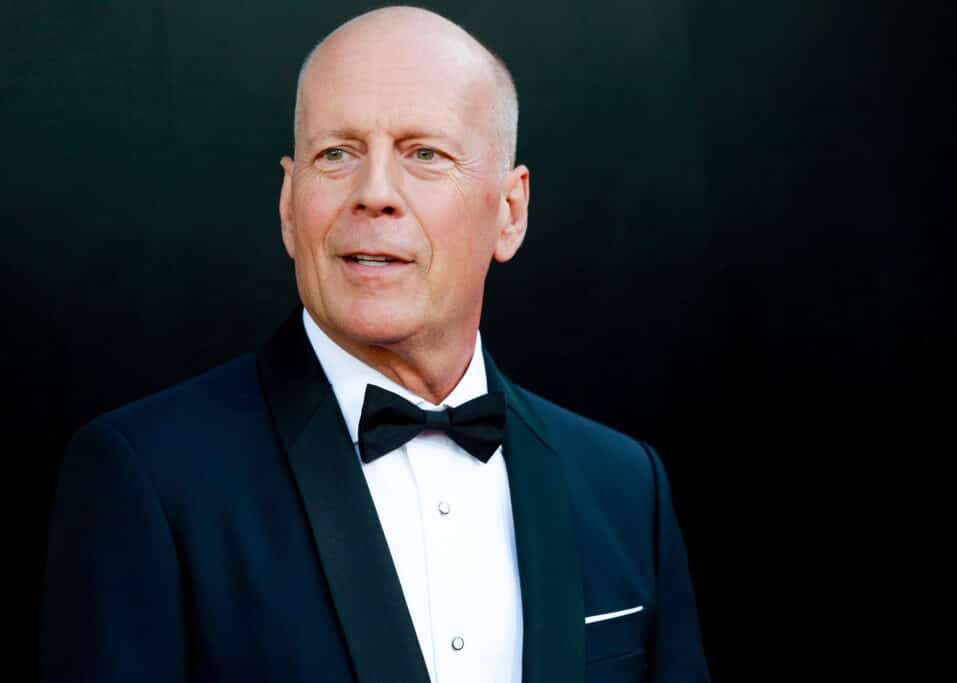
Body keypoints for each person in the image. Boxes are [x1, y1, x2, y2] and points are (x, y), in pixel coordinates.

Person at [41, 6, 709, 682]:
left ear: (510, 212)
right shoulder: (146, 479)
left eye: (425, 154)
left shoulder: (627, 486)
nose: (376, 194)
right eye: (337, 154)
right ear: (287, 204)